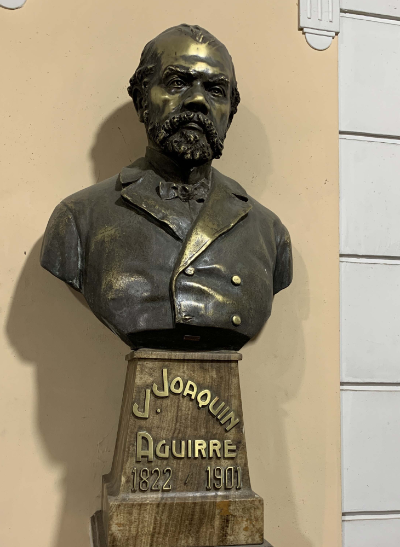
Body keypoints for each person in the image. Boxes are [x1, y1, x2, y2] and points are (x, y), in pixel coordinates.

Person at [41, 24, 292, 351]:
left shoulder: (269, 231)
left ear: (230, 113)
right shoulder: (78, 219)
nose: (198, 99)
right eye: (178, 82)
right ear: (141, 99)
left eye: (216, 89)